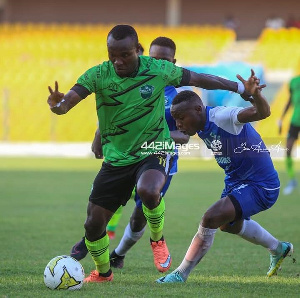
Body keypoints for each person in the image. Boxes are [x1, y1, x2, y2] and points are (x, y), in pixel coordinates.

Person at [47, 24, 256, 284]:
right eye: (113, 54)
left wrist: (240, 89)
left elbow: (200, 79)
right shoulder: (98, 74)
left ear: (137, 50)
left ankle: (157, 238)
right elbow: (68, 102)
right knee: (93, 225)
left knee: (148, 190)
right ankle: (104, 273)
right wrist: (59, 105)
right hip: (118, 158)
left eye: (124, 54)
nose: (118, 61)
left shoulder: (156, 69)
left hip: (154, 148)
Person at [157, 73, 293, 283]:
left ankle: (180, 274)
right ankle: (278, 248)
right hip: (236, 181)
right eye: (176, 120)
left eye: (181, 119)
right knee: (227, 224)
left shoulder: (222, 116)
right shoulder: (199, 125)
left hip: (260, 185)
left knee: (210, 218)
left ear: (198, 109)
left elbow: (262, 112)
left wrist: (255, 95)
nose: (179, 124)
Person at [70, 37, 190, 270]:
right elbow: (115, 114)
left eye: (164, 60)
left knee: (139, 215)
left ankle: (120, 253)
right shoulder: (133, 81)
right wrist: (99, 134)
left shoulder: (178, 96)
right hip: (126, 157)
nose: (157, 63)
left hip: (158, 158)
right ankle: (93, 241)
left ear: (173, 62)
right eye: (153, 58)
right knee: (108, 205)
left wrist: (149, 134)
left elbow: (184, 136)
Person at [278, 74, 300, 195]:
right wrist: (281, 118)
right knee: (288, 150)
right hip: (295, 121)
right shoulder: (294, 81)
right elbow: (290, 100)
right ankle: (292, 180)